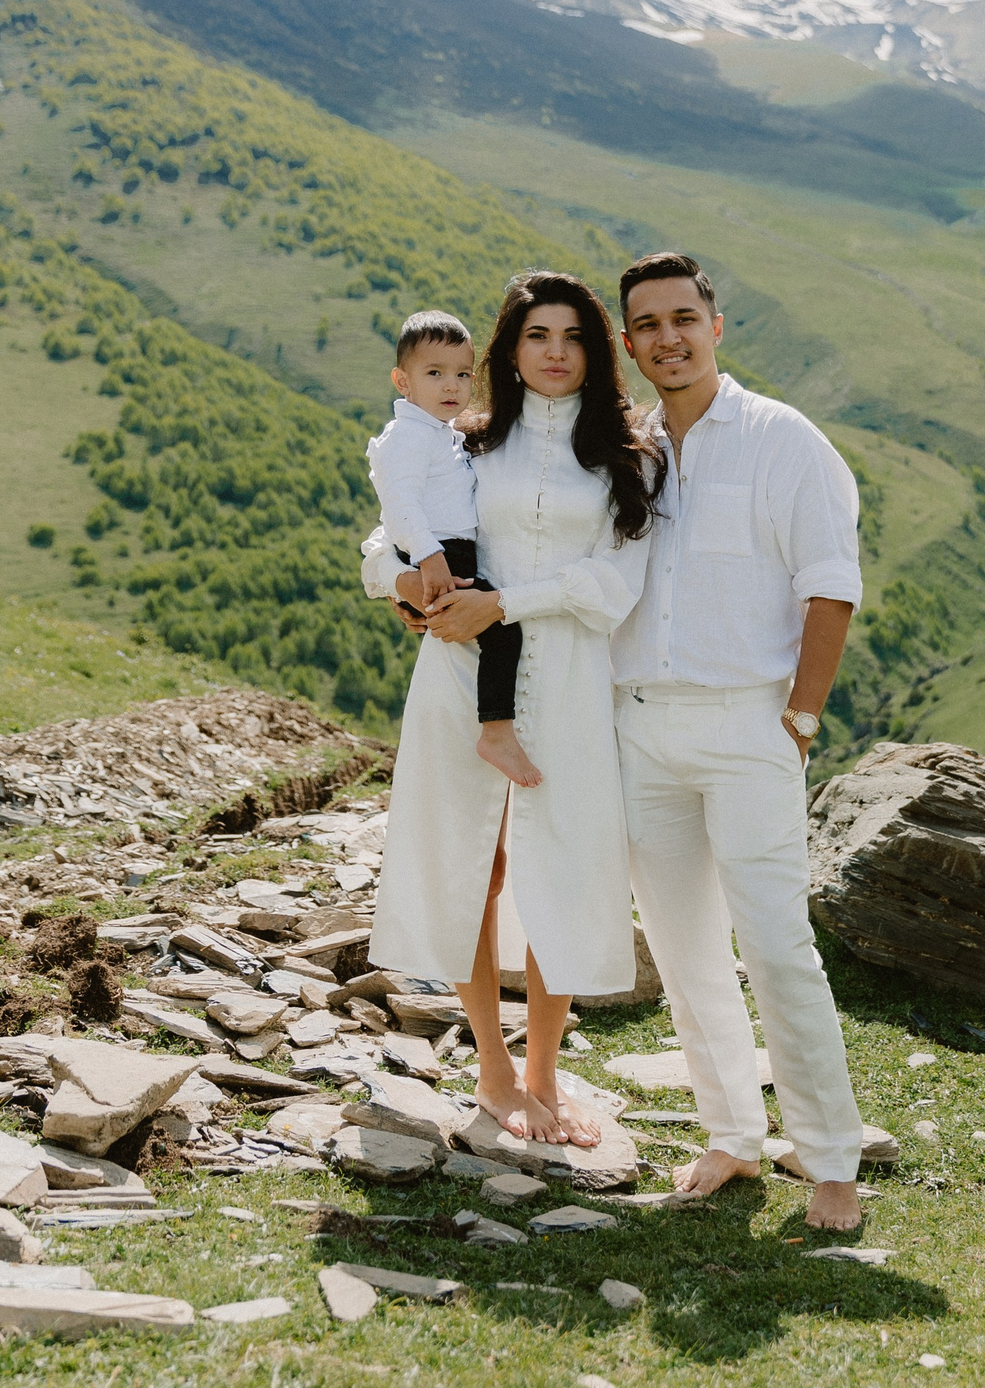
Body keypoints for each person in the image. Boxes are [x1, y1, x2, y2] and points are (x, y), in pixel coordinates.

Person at [361, 271, 659, 1147]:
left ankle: (545, 1074)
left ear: (597, 350)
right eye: (537, 335)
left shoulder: (630, 453)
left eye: (572, 336)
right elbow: (388, 534)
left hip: (567, 676)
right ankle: (494, 1071)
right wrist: (400, 583)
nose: (555, 351)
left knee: (556, 867)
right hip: (458, 669)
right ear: (509, 349)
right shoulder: (468, 440)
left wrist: (507, 604)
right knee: (473, 866)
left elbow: (617, 582)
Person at [610, 251, 869, 1232]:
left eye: (684, 318)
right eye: (648, 324)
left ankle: (832, 1162)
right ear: (629, 343)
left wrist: (800, 718)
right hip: (640, 730)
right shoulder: (627, 448)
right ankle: (730, 1139)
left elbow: (829, 583)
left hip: (749, 724)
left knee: (776, 948)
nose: (668, 338)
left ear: (716, 328)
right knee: (683, 954)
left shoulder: (781, 439)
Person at [364, 310, 537, 788]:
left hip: (448, 553)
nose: (451, 386)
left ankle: (483, 747)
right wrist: (427, 557)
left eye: (462, 374)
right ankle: (496, 733)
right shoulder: (406, 438)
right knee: (503, 631)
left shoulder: (442, 435)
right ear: (403, 380)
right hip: (443, 556)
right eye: (434, 373)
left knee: (481, 645)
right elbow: (398, 504)